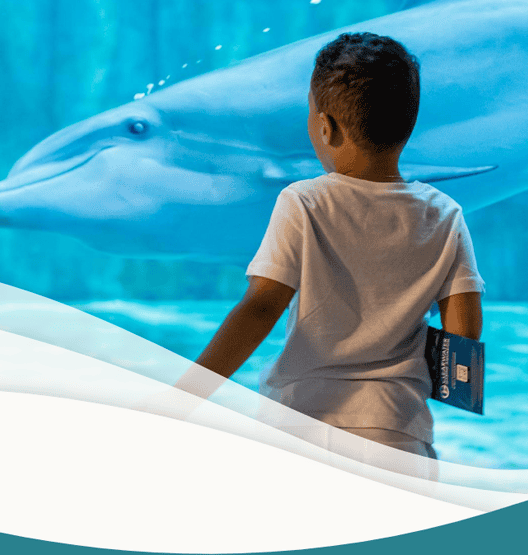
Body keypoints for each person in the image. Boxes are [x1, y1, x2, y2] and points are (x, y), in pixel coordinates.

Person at [189, 32, 484, 460]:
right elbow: (465, 336)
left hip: (300, 426)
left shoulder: (304, 202)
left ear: (325, 127)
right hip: (399, 434)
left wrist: (183, 396)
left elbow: (261, 308)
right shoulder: (445, 214)